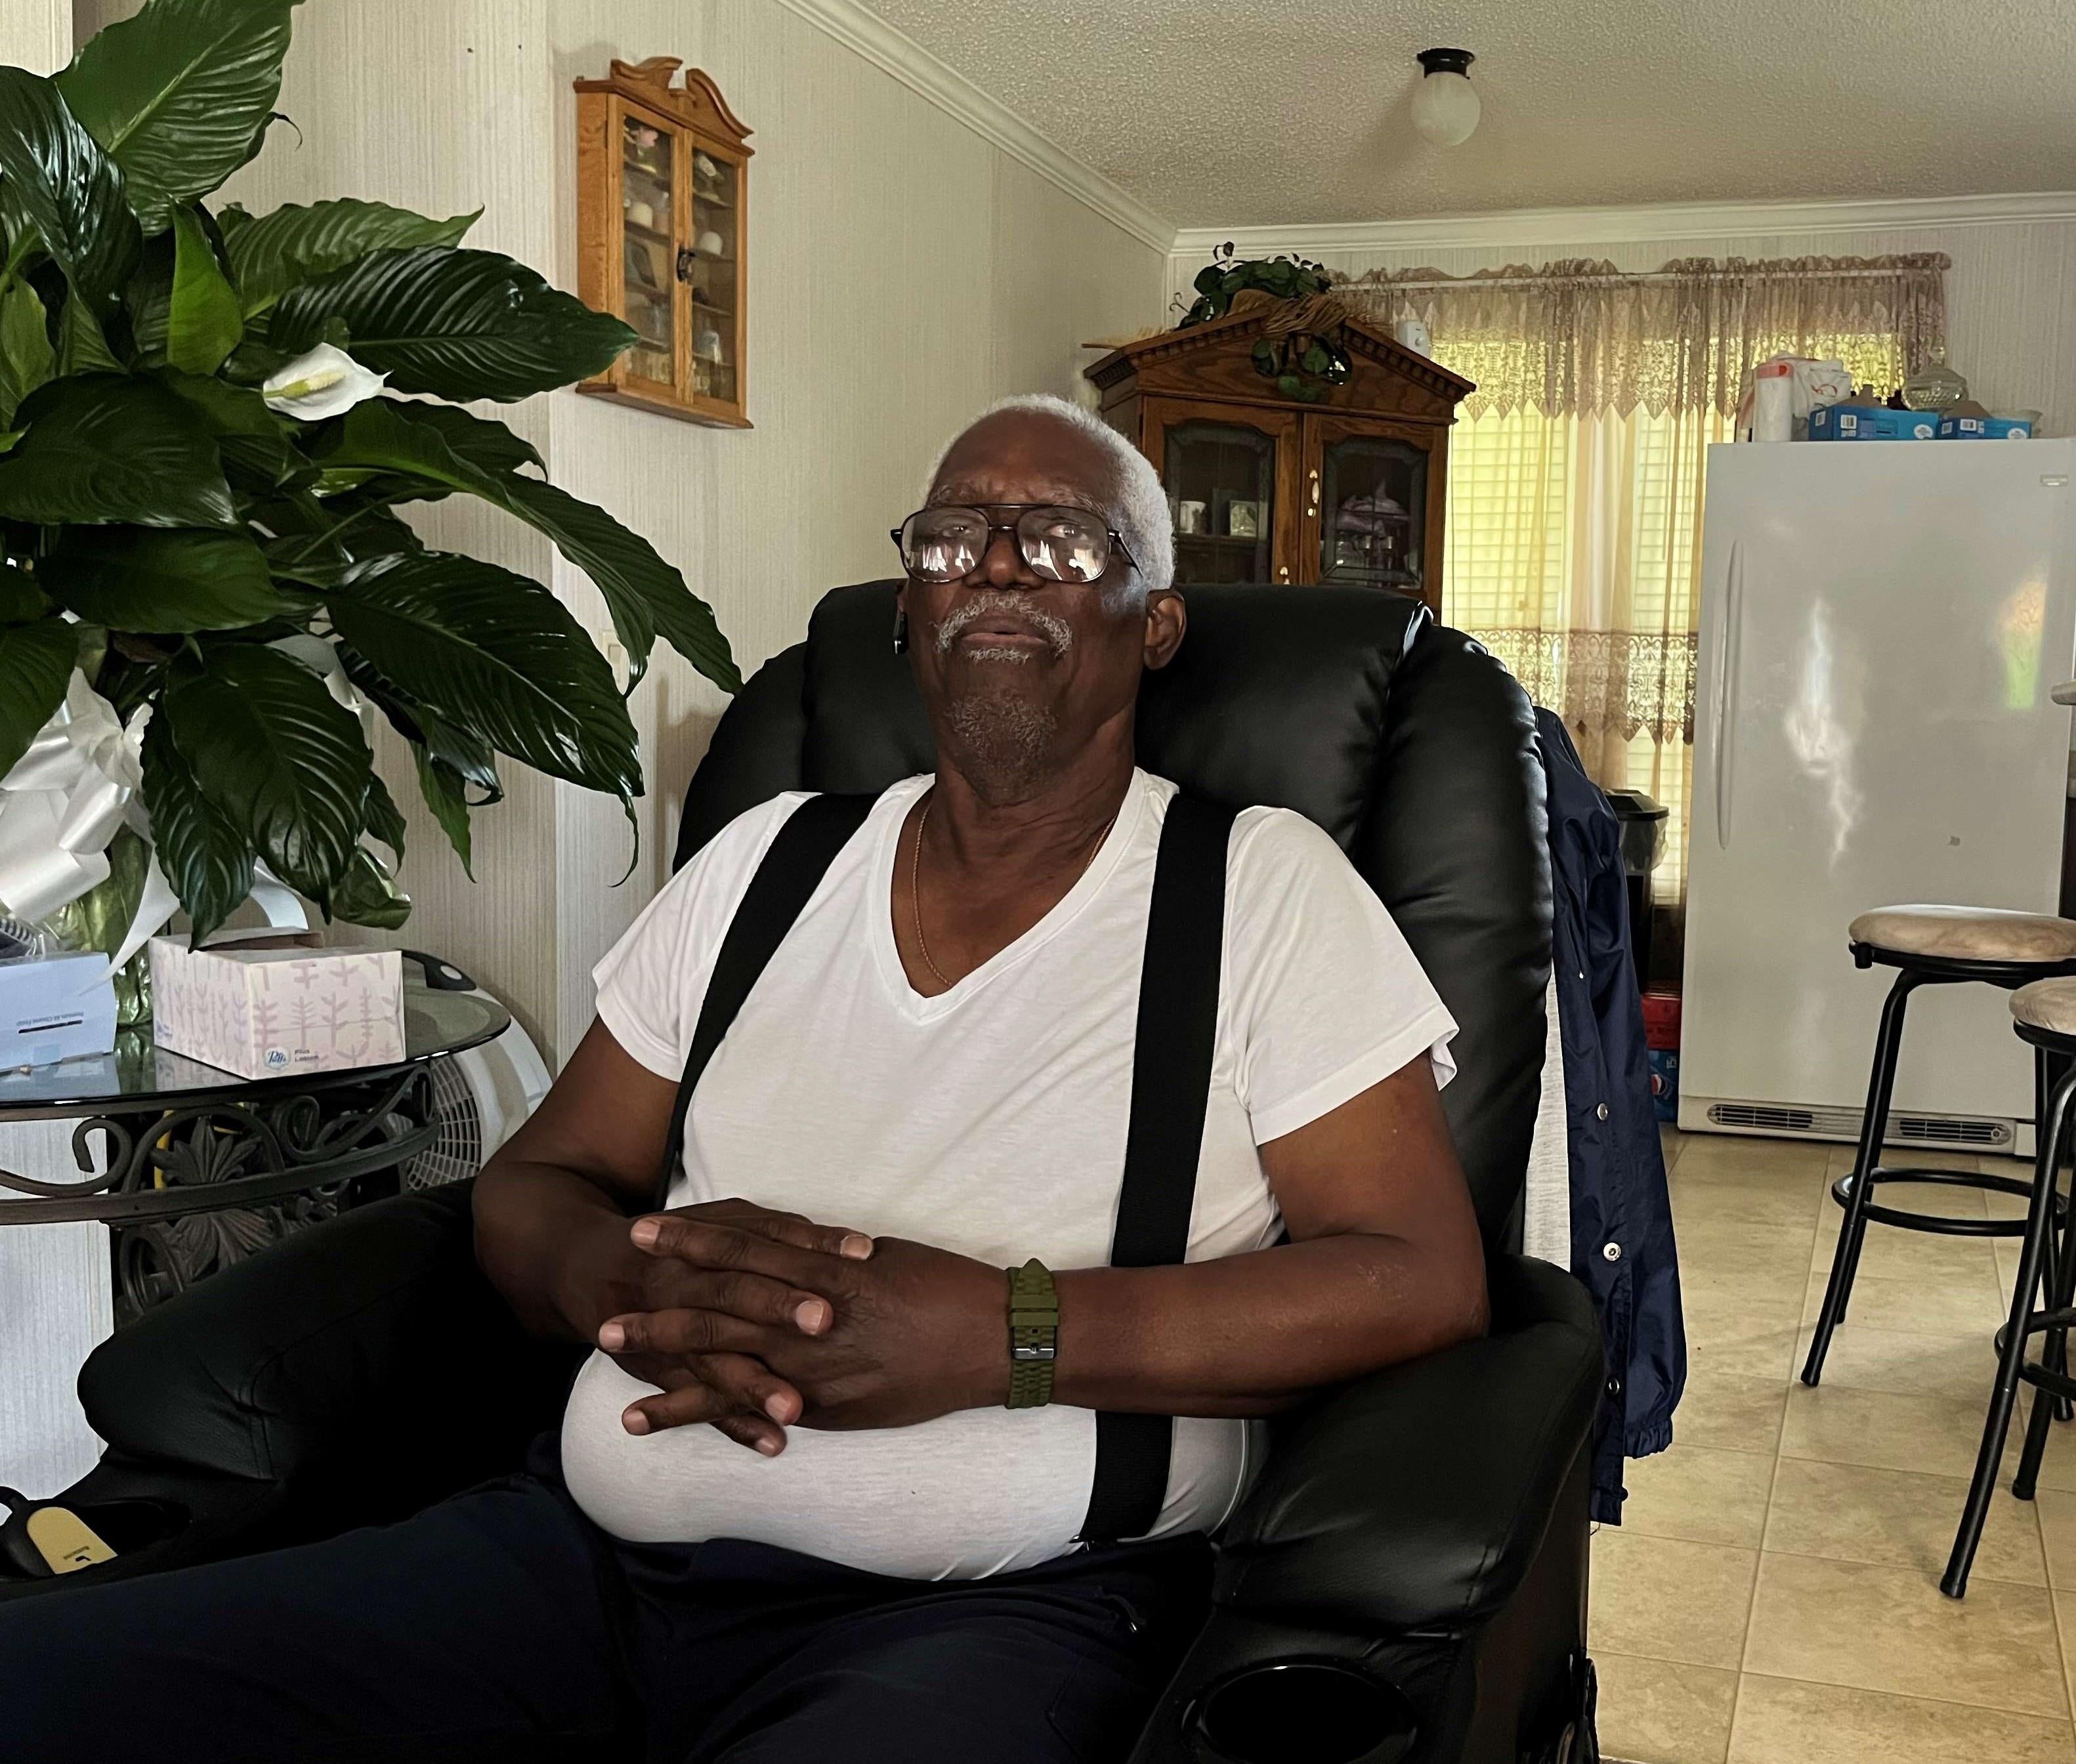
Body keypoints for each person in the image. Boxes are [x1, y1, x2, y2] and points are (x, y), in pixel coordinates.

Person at [1, 394, 1489, 1763]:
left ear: (1152, 623)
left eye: (1062, 537)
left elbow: (1419, 1278)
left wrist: (1003, 1334)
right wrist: (611, 1285)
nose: (1000, 567)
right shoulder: (764, 866)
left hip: (1002, 1617)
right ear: (913, 604)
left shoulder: (1260, 889)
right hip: (575, 1567)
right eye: (956, 535)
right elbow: (538, 1185)